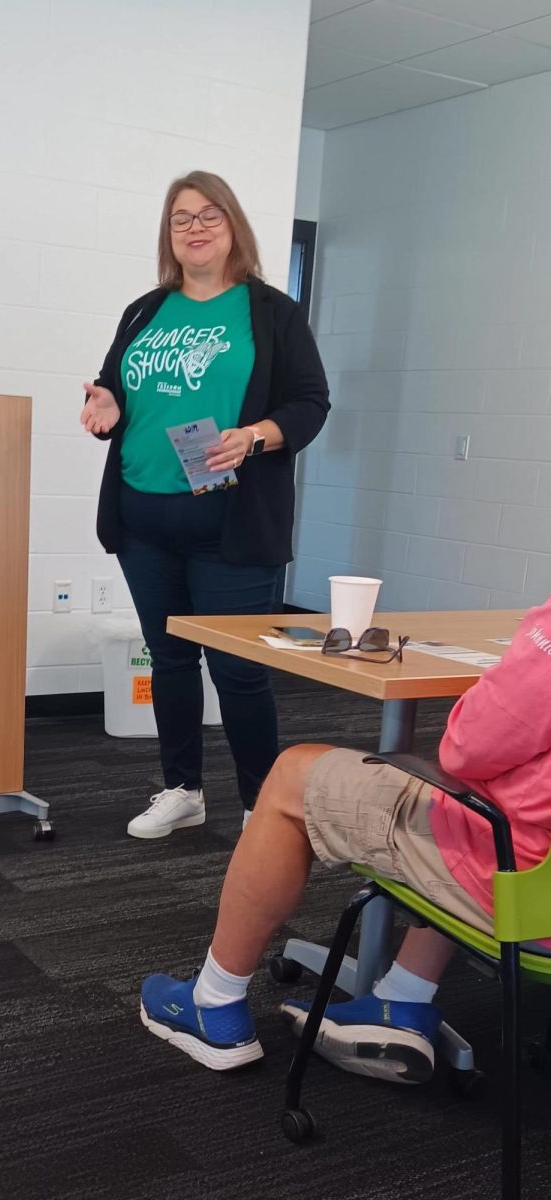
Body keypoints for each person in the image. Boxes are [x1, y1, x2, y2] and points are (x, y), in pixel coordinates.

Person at [139, 593, 551, 1083]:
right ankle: (402, 997)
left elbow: (467, 750)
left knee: (294, 773)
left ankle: (213, 1002)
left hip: (524, 892)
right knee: (473, 794)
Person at [81, 170, 329, 840]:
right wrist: (104, 404)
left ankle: (262, 805)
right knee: (168, 659)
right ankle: (183, 789)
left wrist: (253, 436)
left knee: (239, 672)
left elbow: (310, 403)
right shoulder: (144, 310)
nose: (194, 227)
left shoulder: (271, 313)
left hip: (232, 524)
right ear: (169, 234)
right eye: (181, 217)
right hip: (142, 519)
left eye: (208, 214)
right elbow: (113, 388)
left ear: (234, 226)